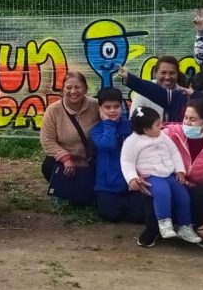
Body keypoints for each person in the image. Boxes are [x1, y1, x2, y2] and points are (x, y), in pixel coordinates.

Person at [136, 97, 203, 249]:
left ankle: (195, 228)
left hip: (193, 197)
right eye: (185, 117)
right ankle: (153, 228)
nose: (186, 123)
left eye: (193, 119)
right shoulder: (168, 134)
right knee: (157, 183)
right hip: (167, 191)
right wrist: (139, 176)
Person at [121, 107, 201, 244]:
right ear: (146, 130)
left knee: (183, 196)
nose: (161, 126)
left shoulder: (162, 136)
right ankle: (164, 223)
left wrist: (180, 171)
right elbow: (127, 161)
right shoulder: (132, 142)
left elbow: (174, 152)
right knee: (162, 193)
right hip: (151, 176)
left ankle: (185, 227)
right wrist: (132, 178)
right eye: (158, 124)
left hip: (169, 174)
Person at [39, 71, 100, 205]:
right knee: (48, 165)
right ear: (63, 90)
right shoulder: (53, 110)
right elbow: (47, 140)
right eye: (68, 87)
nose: (73, 91)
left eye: (77, 87)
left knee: (87, 200)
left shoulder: (96, 106)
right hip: (66, 164)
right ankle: (62, 190)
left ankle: (73, 190)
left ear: (85, 89)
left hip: (90, 163)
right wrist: (65, 158)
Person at [89, 86, 143, 224]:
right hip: (107, 185)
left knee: (139, 216)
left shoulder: (130, 126)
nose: (112, 110)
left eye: (116, 106)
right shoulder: (96, 130)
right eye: (107, 107)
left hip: (130, 182)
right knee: (111, 215)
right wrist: (109, 124)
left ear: (122, 106)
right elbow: (108, 144)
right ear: (100, 109)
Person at [120, 57, 191, 123]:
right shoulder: (143, 92)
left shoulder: (183, 94)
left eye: (172, 73)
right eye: (163, 73)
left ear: (177, 74)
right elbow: (133, 121)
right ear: (156, 73)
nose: (167, 77)